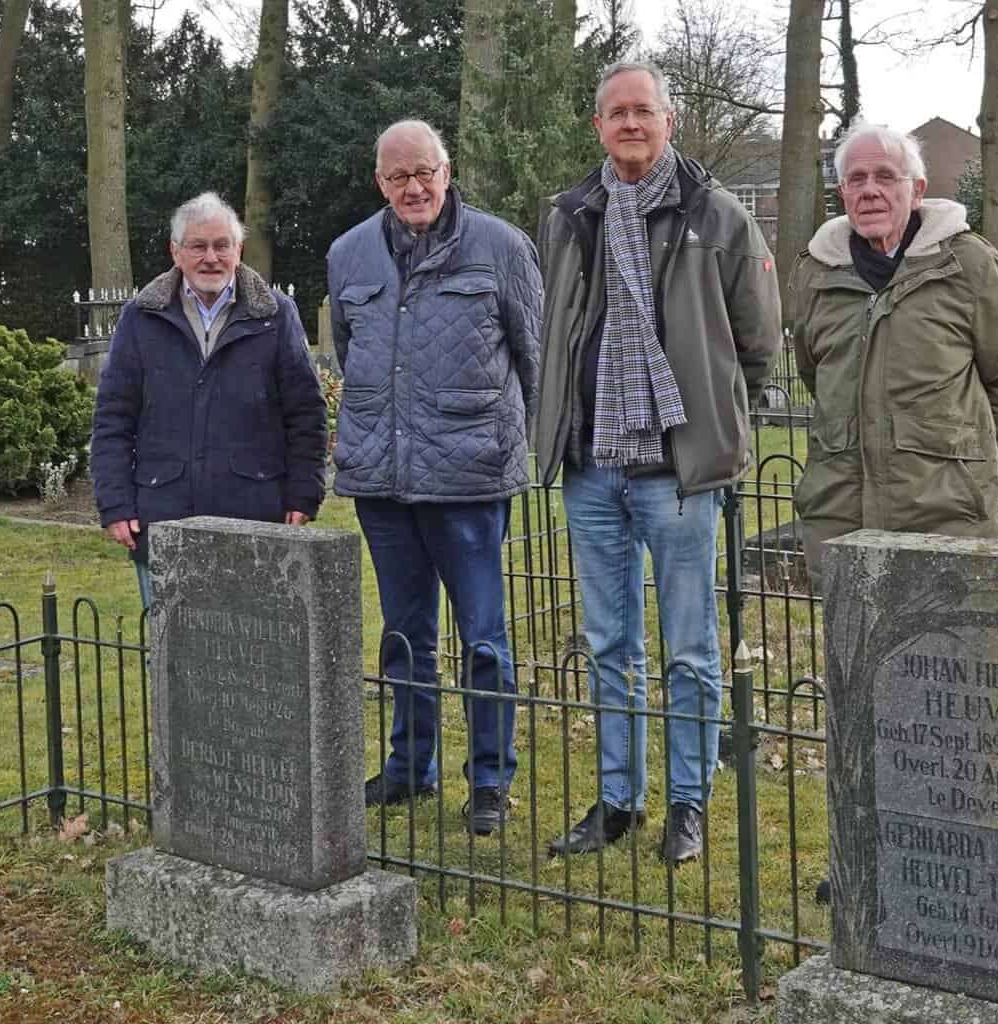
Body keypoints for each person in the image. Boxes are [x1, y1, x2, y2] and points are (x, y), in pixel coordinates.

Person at [534, 62, 783, 865]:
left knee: (689, 647)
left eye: (644, 110)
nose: (631, 124)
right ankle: (616, 801)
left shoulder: (717, 215)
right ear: (598, 126)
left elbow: (756, 342)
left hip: (677, 470)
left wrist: (714, 420)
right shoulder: (571, 215)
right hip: (595, 464)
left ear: (669, 120)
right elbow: (557, 328)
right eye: (617, 113)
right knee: (609, 644)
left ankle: (687, 802)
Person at [326, 119, 541, 837]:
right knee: (404, 634)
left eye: (425, 172)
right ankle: (408, 766)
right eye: (397, 177)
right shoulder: (348, 255)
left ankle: (489, 780)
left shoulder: (503, 247)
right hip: (383, 481)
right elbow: (350, 354)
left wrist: (533, 451)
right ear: (378, 183)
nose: (413, 188)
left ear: (447, 172)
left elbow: (533, 359)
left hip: (471, 475)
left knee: (483, 638)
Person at [788, 122, 998, 589]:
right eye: (856, 180)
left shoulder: (967, 266)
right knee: (856, 657)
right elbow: (813, 372)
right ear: (842, 193)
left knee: (951, 655)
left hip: (947, 517)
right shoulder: (816, 275)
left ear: (917, 189)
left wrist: (965, 461)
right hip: (844, 517)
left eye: (885, 177)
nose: (870, 191)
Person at [91, 192, 327, 610]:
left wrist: (303, 494)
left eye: (222, 245)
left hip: (255, 516)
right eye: (198, 246)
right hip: (163, 515)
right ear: (176, 252)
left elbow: (306, 413)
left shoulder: (275, 314)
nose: (211, 257)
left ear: (239, 250)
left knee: (255, 650)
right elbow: (112, 419)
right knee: (171, 657)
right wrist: (114, 504)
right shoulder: (140, 318)